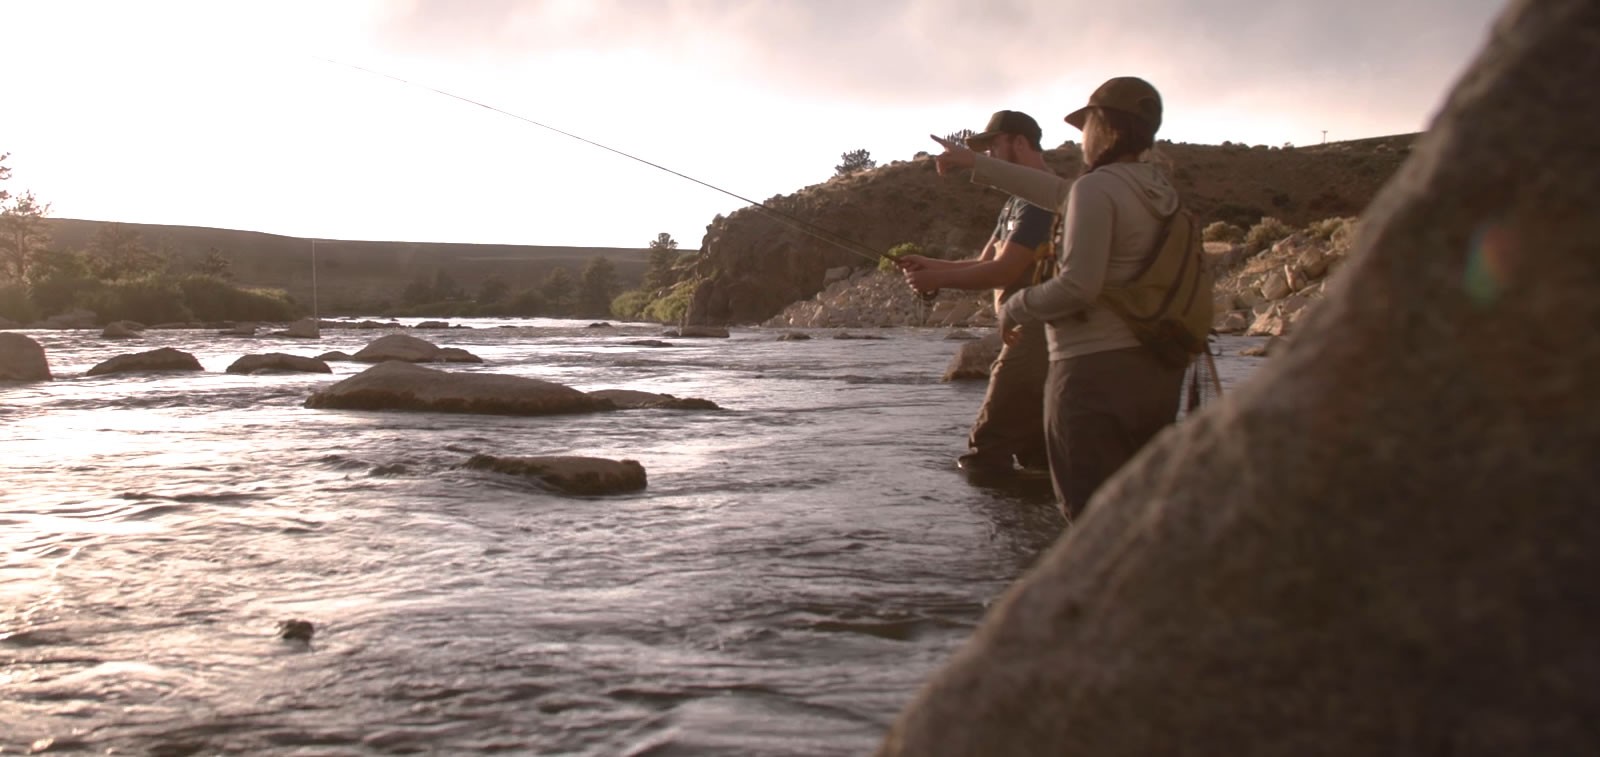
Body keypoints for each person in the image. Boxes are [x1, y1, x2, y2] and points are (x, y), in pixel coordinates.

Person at [928, 77, 1188, 519]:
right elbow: (1054, 193)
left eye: (1086, 126)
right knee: (1132, 500)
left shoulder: (1097, 188)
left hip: (1094, 370)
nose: (1082, 137)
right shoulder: (1159, 191)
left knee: (1084, 511)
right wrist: (975, 162)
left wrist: (1016, 307)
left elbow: (1079, 286)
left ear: (1103, 129)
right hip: (1158, 370)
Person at [898, 110, 1057, 476]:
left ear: (1019, 142)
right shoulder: (1014, 203)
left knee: (985, 453)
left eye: (992, 145)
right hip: (1019, 333)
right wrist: (930, 265)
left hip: (1037, 334)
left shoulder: (1042, 200)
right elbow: (984, 261)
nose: (988, 156)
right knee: (1039, 457)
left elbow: (1005, 271)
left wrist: (936, 279)